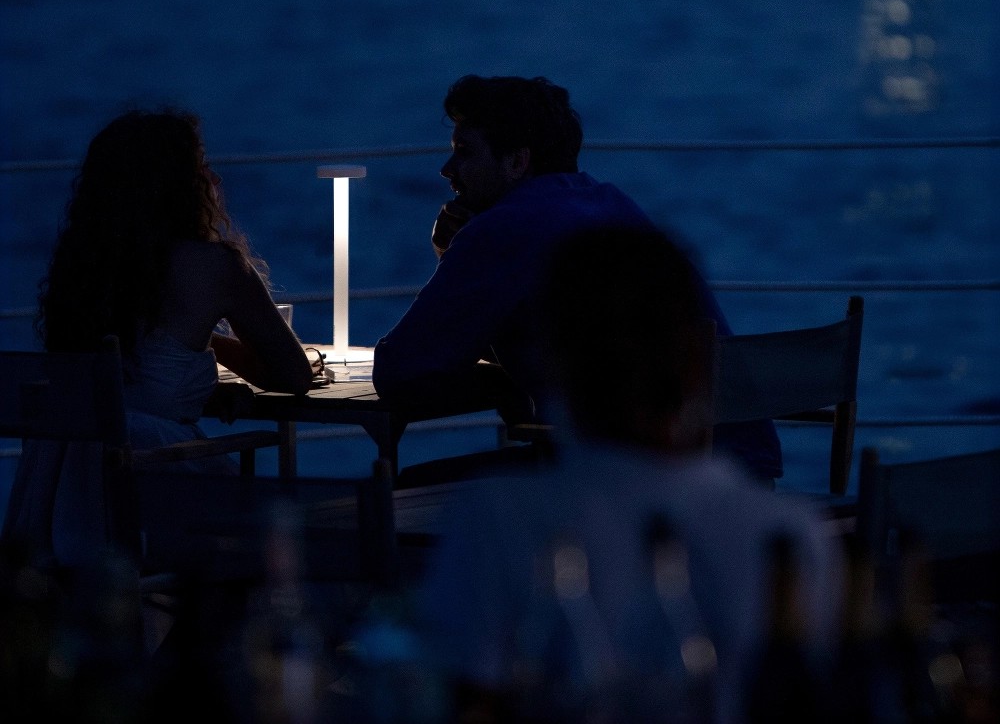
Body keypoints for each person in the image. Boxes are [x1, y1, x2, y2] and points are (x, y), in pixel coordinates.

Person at [414, 225, 843, 723]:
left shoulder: (495, 520)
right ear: (698, 360)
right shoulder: (792, 536)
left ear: (555, 361)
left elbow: (460, 697)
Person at [372, 74, 781, 483]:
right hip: (744, 474)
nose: (447, 170)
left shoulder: (503, 229)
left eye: (464, 152)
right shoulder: (610, 203)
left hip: (640, 482)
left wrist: (456, 255)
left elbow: (399, 371)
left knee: (408, 488)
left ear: (517, 162)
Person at [33, 108, 314, 462]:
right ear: (178, 187)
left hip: (62, 470)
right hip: (157, 472)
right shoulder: (214, 265)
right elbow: (294, 376)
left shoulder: (82, 266)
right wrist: (210, 345)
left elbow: (131, 386)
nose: (215, 178)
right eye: (202, 167)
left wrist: (203, 382)